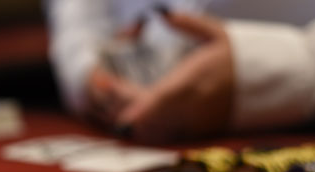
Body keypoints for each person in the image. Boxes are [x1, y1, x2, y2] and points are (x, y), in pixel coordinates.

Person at [46, 0, 315, 143]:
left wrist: (290, 63)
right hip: (128, 124)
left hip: (295, 130)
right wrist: (88, 69)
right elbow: (79, 15)